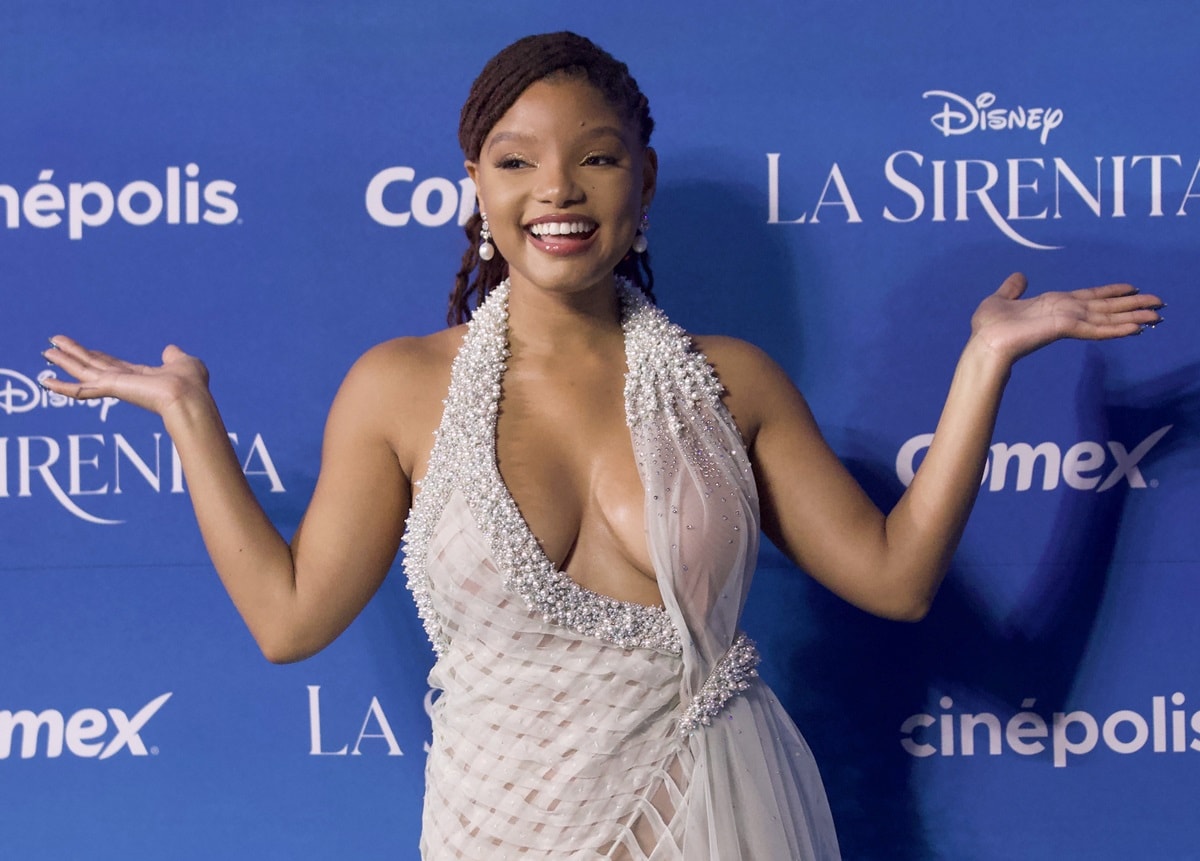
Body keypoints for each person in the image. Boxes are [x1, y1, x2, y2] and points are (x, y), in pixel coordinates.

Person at [41, 31, 1162, 861]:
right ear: (476, 189)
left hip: (730, 821)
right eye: (516, 161)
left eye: (597, 158)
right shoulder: (397, 388)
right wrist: (193, 416)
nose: (558, 190)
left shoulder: (734, 381)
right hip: (503, 828)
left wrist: (985, 363)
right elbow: (291, 622)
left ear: (643, 184)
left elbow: (896, 577)